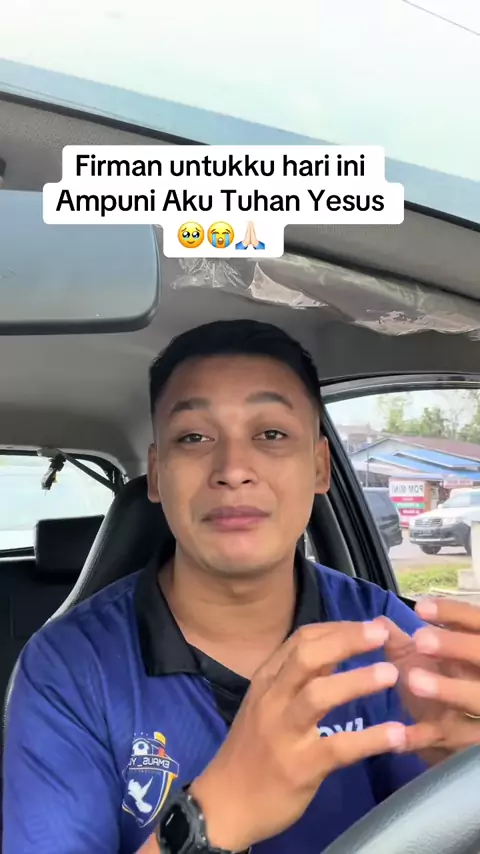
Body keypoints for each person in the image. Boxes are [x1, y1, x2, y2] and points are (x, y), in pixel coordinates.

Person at [4, 319, 480, 854]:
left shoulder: (389, 636)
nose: (233, 469)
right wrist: (216, 815)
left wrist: (461, 774)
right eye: (194, 437)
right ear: (157, 476)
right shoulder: (66, 669)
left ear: (319, 467)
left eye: (271, 434)